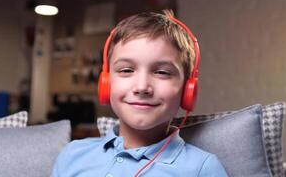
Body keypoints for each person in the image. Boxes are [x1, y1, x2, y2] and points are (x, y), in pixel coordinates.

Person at [51, 10, 228, 177]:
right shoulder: (73, 155)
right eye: (127, 70)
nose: (142, 87)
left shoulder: (202, 168)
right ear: (106, 83)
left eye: (162, 72)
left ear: (188, 91)